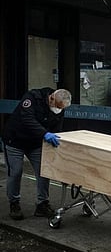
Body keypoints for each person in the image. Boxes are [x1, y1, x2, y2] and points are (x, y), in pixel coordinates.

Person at [2, 88, 72, 220]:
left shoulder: (60, 107)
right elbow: (27, 119)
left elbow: (57, 127)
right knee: (15, 172)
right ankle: (14, 203)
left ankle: (42, 204)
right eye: (57, 106)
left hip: (35, 144)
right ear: (51, 98)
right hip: (15, 140)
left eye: (61, 108)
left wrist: (57, 139)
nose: (58, 110)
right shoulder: (33, 98)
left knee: (44, 171)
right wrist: (45, 134)